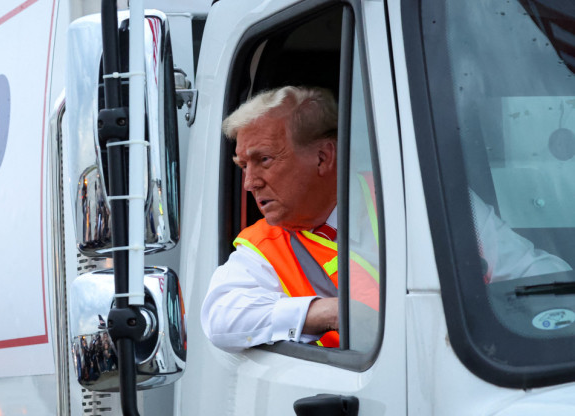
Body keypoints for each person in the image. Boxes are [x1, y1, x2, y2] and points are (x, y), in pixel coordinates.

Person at [201, 85, 570, 353]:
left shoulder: (423, 201)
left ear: (324, 157)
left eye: (264, 160)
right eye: (242, 166)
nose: (249, 183)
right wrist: (327, 312)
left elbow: (541, 275)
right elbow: (220, 318)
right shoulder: (262, 246)